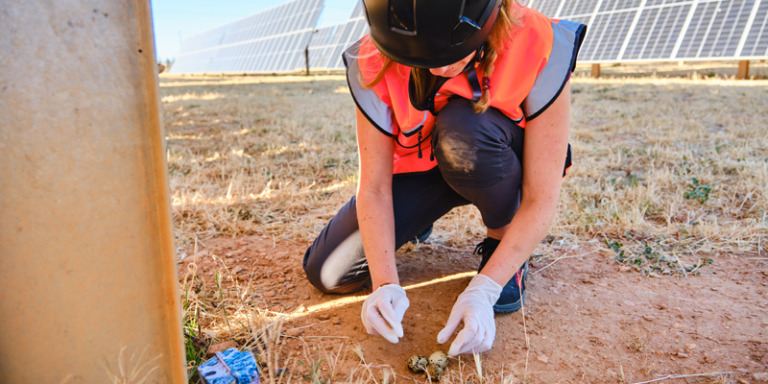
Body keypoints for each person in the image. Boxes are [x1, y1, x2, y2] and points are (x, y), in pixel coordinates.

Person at [303, 0, 585, 356]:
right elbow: (373, 187)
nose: (440, 67)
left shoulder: (535, 39)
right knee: (328, 273)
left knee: (463, 131)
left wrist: (485, 289)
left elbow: (541, 198)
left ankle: (502, 241)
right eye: (422, 56)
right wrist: (384, 282)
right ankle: (420, 217)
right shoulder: (372, 59)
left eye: (454, 53)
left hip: (492, 156)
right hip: (424, 167)